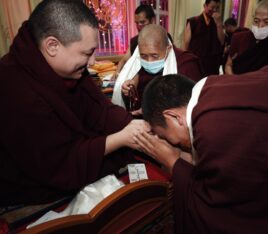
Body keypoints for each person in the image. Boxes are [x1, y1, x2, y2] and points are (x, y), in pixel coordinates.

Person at [0, 0, 150, 207]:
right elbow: (58, 163)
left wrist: (132, 125)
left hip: (77, 155)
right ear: (52, 46)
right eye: (87, 53)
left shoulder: (68, 69)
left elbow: (99, 110)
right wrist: (121, 138)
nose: (92, 62)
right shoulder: (14, 87)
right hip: (35, 184)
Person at [135, 66, 268, 233]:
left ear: (173, 117)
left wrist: (174, 163)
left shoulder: (210, 128)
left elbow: (218, 211)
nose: (171, 143)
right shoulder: (214, 85)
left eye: (165, 136)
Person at [112, 24, 203, 112]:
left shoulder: (186, 63)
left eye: (154, 56)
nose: (149, 61)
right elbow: (136, 102)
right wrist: (130, 91)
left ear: (168, 49)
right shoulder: (139, 67)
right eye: (143, 56)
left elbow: (193, 103)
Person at [112, 4, 155, 80]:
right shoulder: (135, 40)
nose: (139, 26)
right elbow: (124, 60)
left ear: (152, 20)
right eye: (136, 23)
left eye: (142, 22)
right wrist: (117, 72)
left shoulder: (162, 38)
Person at [183, 0, 224, 76]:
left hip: (212, 64)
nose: (214, 10)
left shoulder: (218, 23)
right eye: (212, 7)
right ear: (205, 6)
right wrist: (186, 59)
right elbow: (186, 43)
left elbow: (222, 41)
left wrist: (219, 24)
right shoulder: (193, 21)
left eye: (217, 8)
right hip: (196, 62)